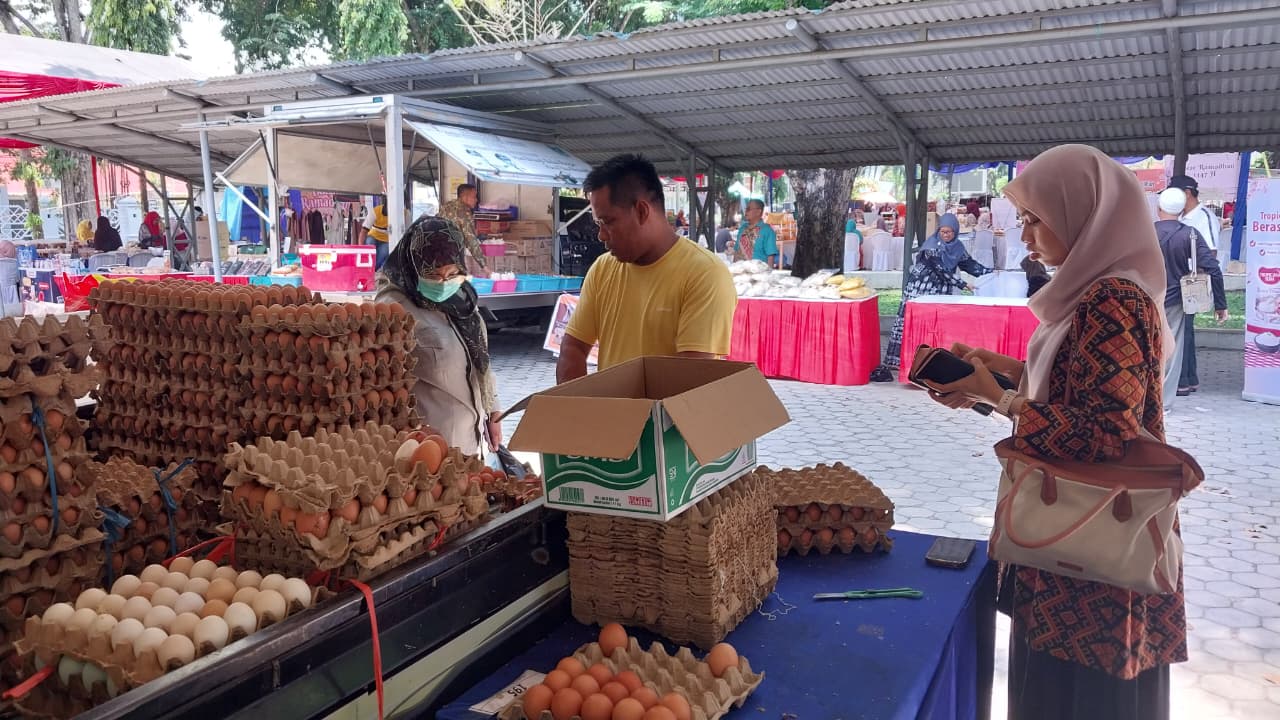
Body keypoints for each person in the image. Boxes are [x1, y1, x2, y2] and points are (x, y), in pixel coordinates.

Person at [926, 144, 1183, 720]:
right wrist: (995, 375)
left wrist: (1002, 398)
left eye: (1036, 219)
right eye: (1022, 220)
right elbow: (1076, 388)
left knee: (1081, 700)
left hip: (1095, 552)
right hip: (1074, 535)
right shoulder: (1090, 291)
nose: (1026, 235)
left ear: (1082, 214)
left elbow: (1108, 429)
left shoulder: (1112, 298)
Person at [556, 154, 736, 383]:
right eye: (598, 224)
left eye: (608, 222)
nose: (601, 235)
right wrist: (574, 413)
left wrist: (641, 417)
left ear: (642, 211)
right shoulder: (602, 269)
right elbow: (573, 348)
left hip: (669, 418)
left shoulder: (704, 274)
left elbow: (691, 380)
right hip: (611, 417)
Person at [375, 217, 501, 456]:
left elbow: (480, 360)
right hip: (425, 449)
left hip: (470, 444)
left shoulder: (462, 300)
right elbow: (384, 385)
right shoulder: (393, 308)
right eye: (433, 275)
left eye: (452, 273)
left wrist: (493, 409)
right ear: (414, 267)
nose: (444, 283)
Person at [870, 213, 991, 382]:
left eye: (949, 232)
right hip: (920, 290)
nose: (946, 235)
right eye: (943, 232)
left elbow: (969, 264)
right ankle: (902, 360)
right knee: (914, 324)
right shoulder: (931, 247)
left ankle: (932, 361)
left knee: (935, 326)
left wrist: (990, 274)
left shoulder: (957, 248)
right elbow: (941, 269)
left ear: (955, 232)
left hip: (940, 291)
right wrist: (963, 284)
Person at [1155, 187, 1228, 408]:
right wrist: (1220, 305)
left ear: (1159, 209)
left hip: (1146, 299)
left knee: (1146, 349)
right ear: (1180, 211)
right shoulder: (1190, 234)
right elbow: (1213, 269)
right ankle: (1163, 404)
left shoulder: (1144, 233)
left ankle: (1143, 401)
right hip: (1176, 300)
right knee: (1172, 351)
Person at [438, 184, 487, 275]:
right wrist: (484, 267)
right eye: (474, 197)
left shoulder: (446, 206)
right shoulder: (464, 211)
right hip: (452, 256)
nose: (476, 200)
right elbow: (471, 240)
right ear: (465, 197)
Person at [736, 199, 778, 267]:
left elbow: (770, 257)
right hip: (740, 272)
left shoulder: (767, 231)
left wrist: (768, 275)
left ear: (758, 212)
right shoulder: (742, 228)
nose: (746, 211)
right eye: (746, 208)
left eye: (749, 209)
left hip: (759, 273)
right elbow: (736, 251)